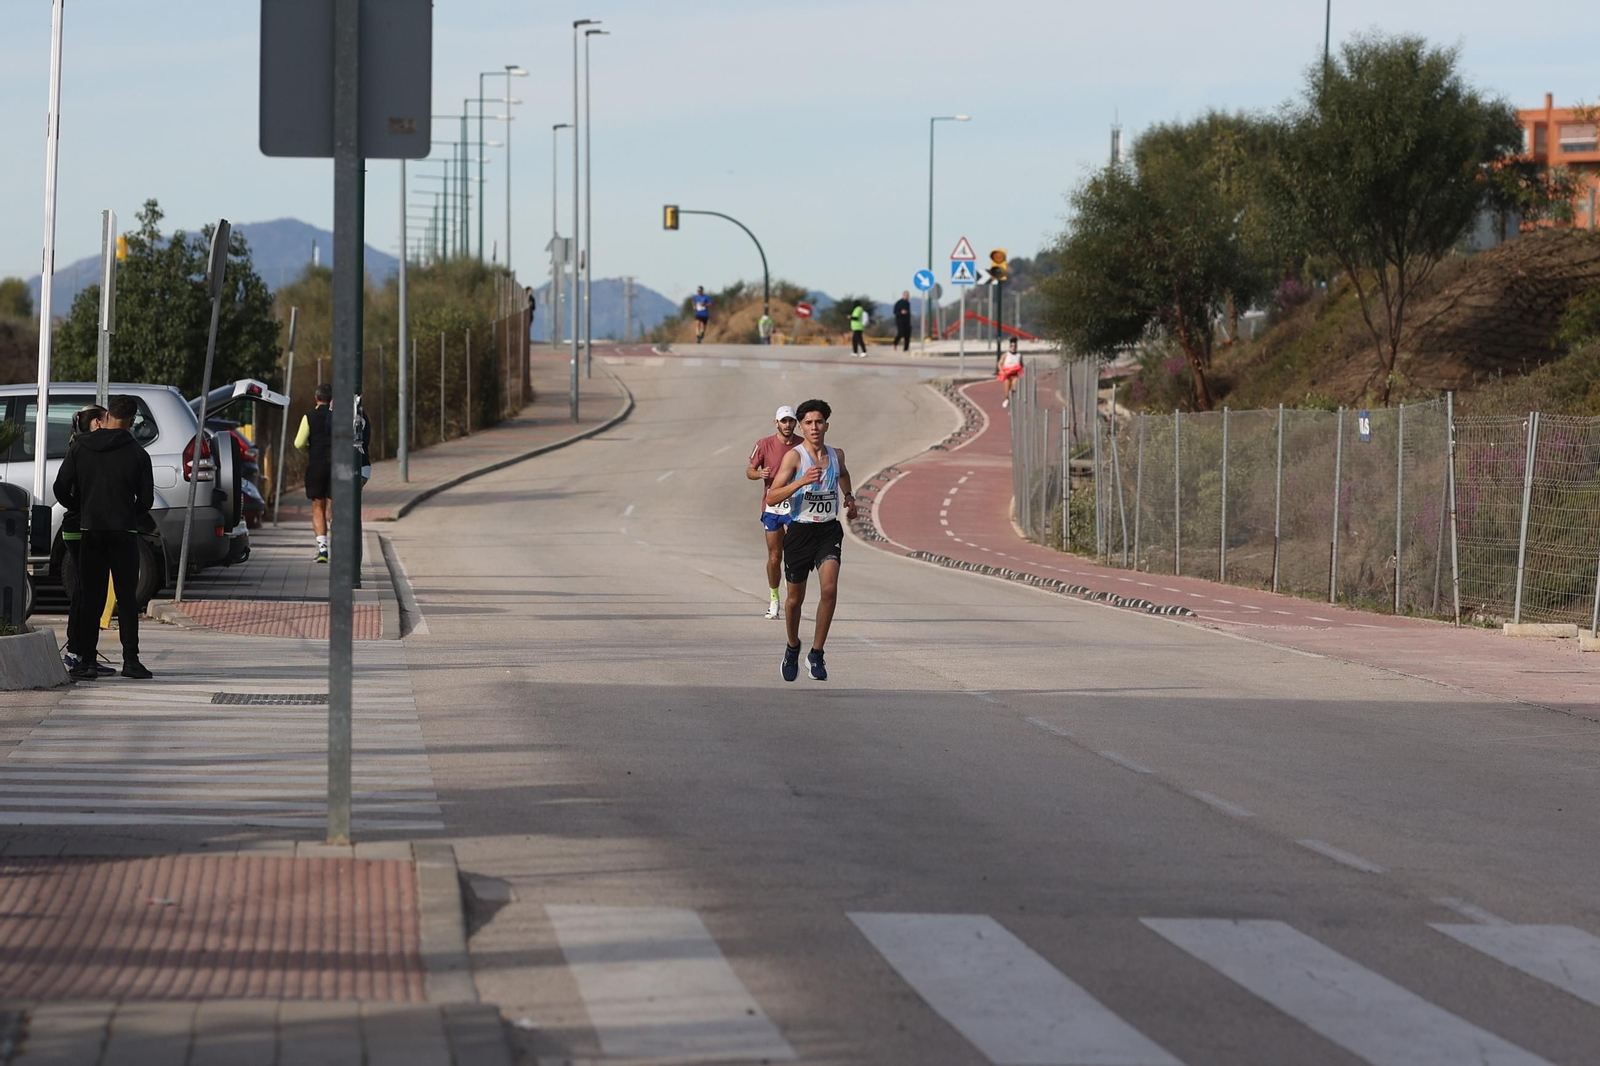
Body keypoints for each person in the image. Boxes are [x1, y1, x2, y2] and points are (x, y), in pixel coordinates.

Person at [53, 394, 154, 681]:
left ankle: (86, 661)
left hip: (91, 531)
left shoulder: (80, 448)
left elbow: (61, 488)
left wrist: (81, 508)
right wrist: (127, 514)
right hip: (124, 532)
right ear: (131, 421)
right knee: (126, 597)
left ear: (107, 415)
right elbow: (145, 500)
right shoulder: (138, 453)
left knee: (91, 596)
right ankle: (131, 661)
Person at [765, 398, 857, 681]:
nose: (814, 427)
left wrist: (850, 498)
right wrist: (801, 482)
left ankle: (816, 653)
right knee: (794, 601)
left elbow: (843, 474)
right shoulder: (794, 457)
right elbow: (772, 496)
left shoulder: (836, 454)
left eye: (819, 422)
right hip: (801, 531)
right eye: (808, 423)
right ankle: (793, 647)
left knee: (829, 590)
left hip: (828, 530)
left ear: (826, 425)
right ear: (801, 427)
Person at [59, 405, 114, 677]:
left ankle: (81, 652)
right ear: (96, 423)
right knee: (85, 592)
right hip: (80, 530)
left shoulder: (81, 449)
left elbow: (62, 488)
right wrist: (80, 508)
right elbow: (61, 488)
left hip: (79, 527)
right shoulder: (82, 450)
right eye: (106, 419)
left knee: (86, 590)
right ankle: (77, 653)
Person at [746, 405, 801, 620]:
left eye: (791, 421)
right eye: (784, 421)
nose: (788, 425)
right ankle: (774, 599)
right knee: (775, 556)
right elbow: (749, 470)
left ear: (795, 423)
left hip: (795, 506)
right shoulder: (764, 444)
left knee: (793, 554)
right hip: (771, 507)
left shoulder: (802, 445)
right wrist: (759, 474)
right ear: (776, 423)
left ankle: (792, 600)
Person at [295, 383, 333, 563]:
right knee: (334, 505)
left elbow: (299, 443)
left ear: (316, 398)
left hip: (317, 465)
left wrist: (309, 449)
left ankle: (323, 550)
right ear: (331, 400)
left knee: (318, 507)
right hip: (336, 465)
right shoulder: (338, 417)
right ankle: (340, 542)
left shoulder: (308, 417)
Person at [998, 336, 1023, 408]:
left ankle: (1014, 401)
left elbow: (1021, 365)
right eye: (1012, 346)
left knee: (1014, 387)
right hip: (1007, 375)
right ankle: (1007, 398)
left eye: (1015, 346)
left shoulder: (1019, 355)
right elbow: (1000, 363)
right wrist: (1002, 371)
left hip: (1015, 375)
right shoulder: (1005, 355)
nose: (1013, 348)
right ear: (1010, 347)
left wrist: (1020, 371)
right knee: (1007, 389)